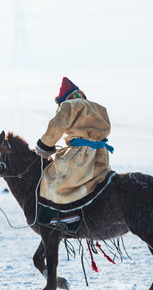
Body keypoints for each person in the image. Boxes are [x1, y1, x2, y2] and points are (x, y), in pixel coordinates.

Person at [35, 77, 113, 224]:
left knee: (54, 178)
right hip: (100, 155)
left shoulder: (69, 105)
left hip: (81, 155)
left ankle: (67, 213)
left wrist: (44, 145)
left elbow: (57, 126)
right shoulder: (97, 107)